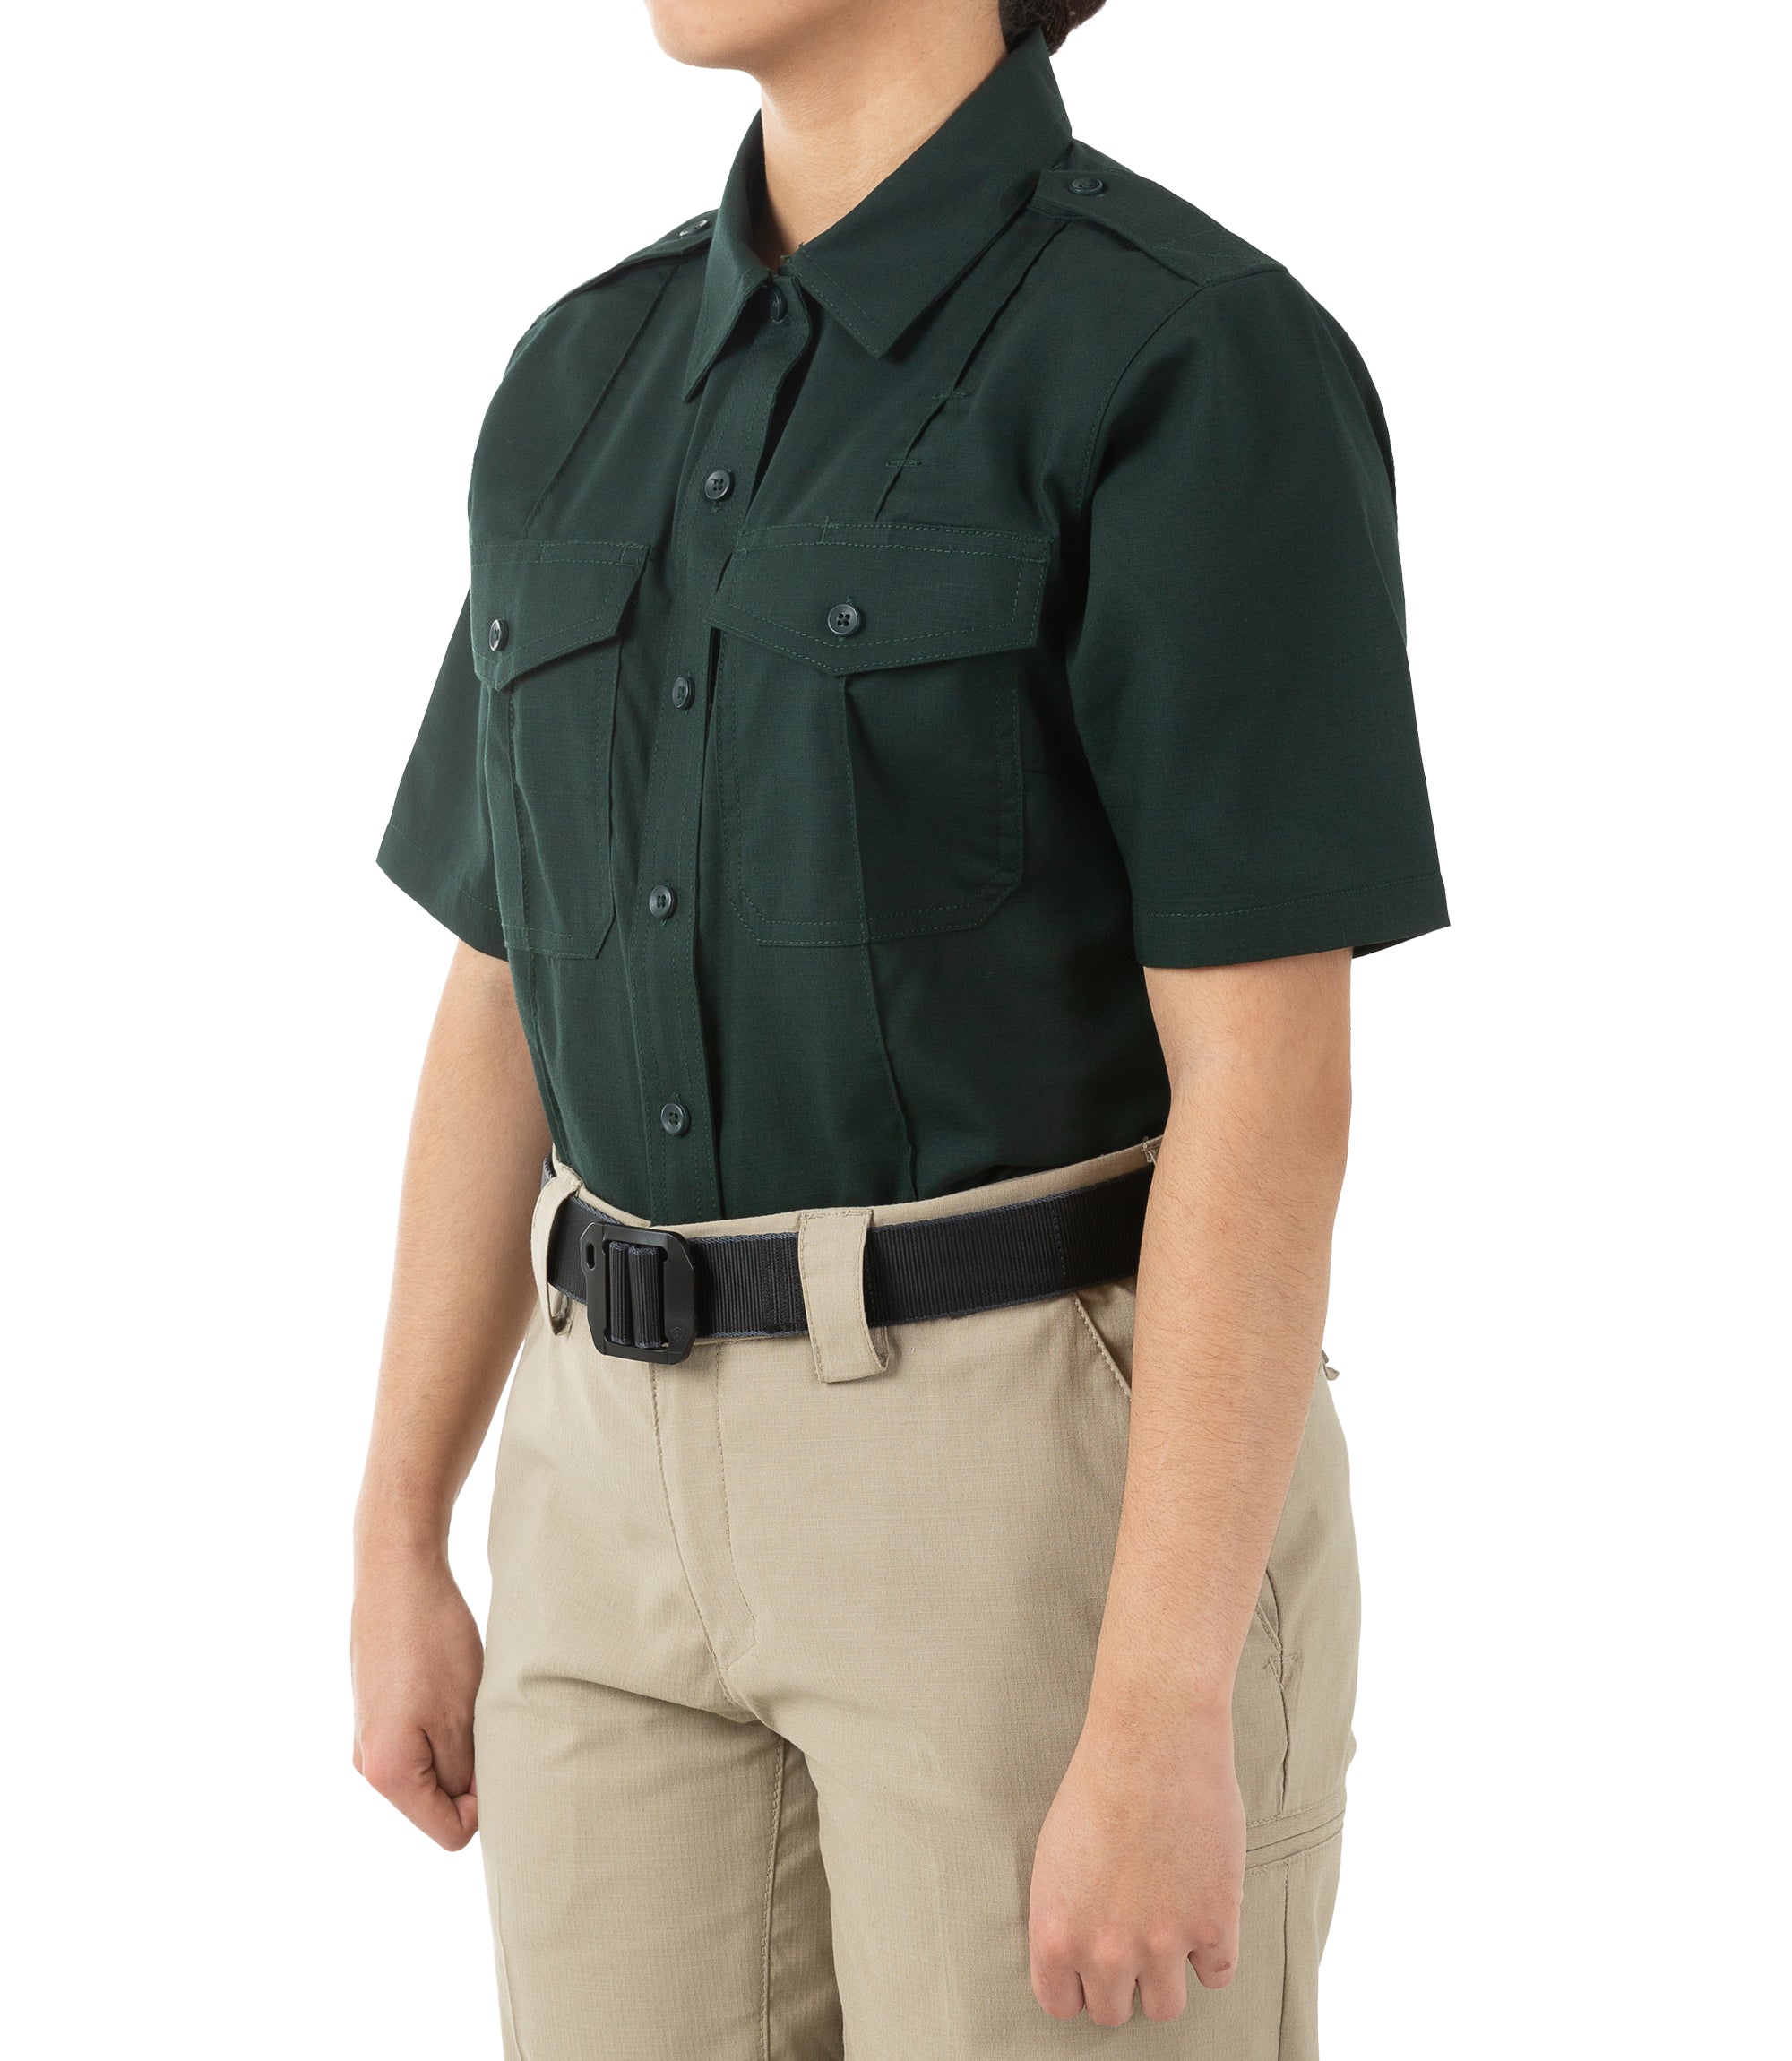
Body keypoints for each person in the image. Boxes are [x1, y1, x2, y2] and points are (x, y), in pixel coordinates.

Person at [351, 0, 1447, 2052]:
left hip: (1016, 1486)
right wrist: (398, 1519)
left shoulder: (1186, 361)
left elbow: (1267, 1085)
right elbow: (503, 981)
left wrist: (1161, 1698)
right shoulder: (582, 375)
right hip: (600, 1483)